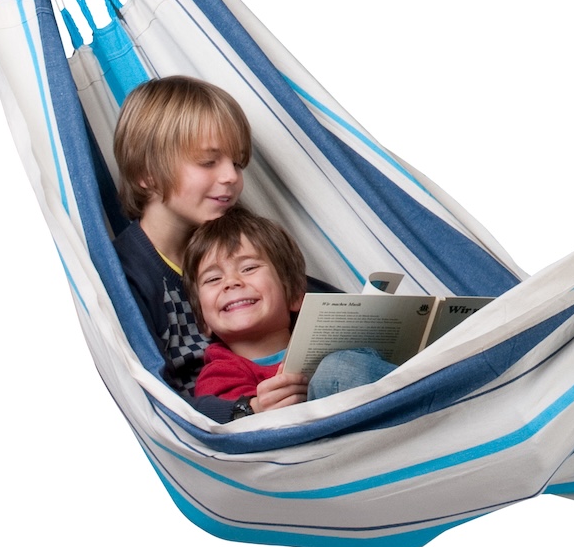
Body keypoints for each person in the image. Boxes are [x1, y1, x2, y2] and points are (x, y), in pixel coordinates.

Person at [111, 75, 327, 421]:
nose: (231, 177)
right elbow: (157, 402)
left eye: (237, 163)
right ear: (147, 173)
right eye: (208, 162)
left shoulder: (233, 239)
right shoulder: (126, 274)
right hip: (219, 429)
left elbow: (312, 300)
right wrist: (245, 409)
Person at [184, 207, 396, 417]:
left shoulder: (327, 343)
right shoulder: (218, 375)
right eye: (213, 279)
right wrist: (257, 407)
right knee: (337, 369)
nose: (231, 282)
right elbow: (234, 428)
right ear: (203, 320)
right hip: (321, 437)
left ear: (294, 294)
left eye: (248, 268)